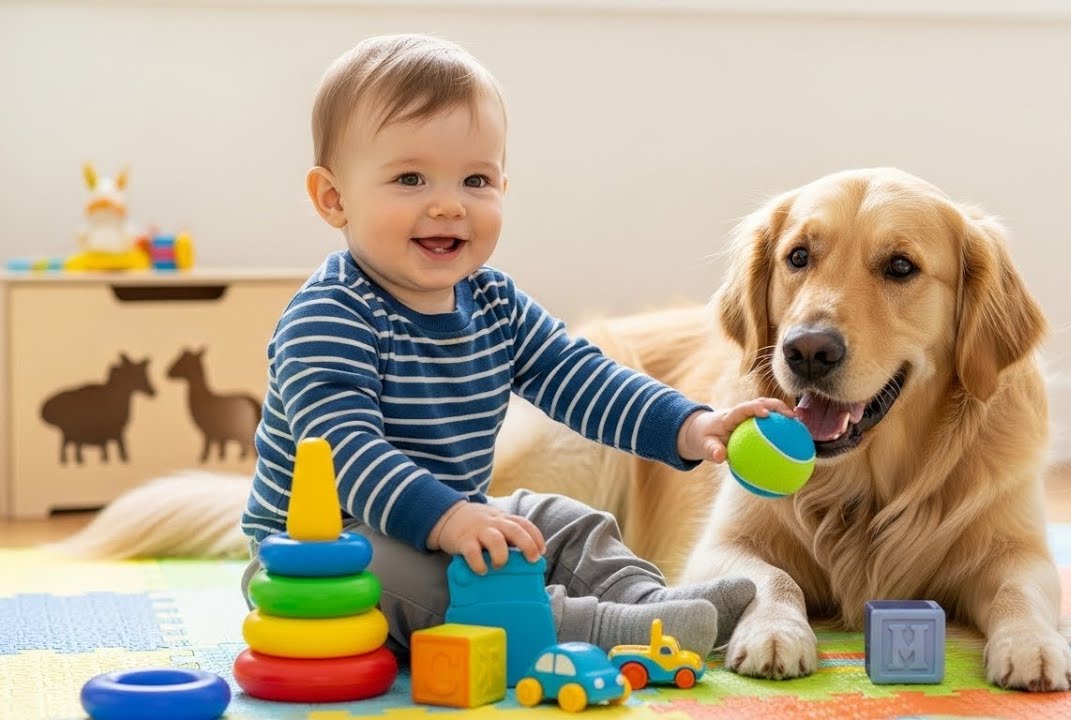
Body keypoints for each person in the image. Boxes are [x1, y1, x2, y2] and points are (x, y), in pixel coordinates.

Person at [239, 33, 789, 658]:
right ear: (333, 198)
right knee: (405, 575)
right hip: (322, 550)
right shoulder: (330, 315)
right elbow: (346, 454)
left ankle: (644, 601)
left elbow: (580, 377)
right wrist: (446, 520)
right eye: (410, 178)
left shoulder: (492, 302)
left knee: (562, 519)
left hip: (457, 513)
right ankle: (592, 629)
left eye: (476, 180)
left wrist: (689, 425)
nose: (448, 205)